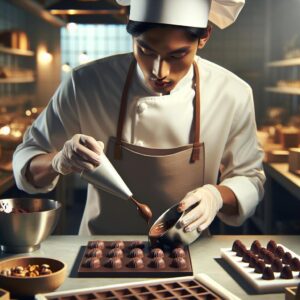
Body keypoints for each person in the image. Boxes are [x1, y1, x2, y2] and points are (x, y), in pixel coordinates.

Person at [13, 0, 265, 235]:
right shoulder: (86, 83)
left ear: (205, 36)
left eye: (177, 55)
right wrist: (58, 161)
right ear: (132, 35)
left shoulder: (232, 93)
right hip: (97, 250)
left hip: (188, 251)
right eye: (145, 50)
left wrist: (216, 196)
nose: (159, 71)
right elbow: (27, 163)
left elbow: (250, 179)